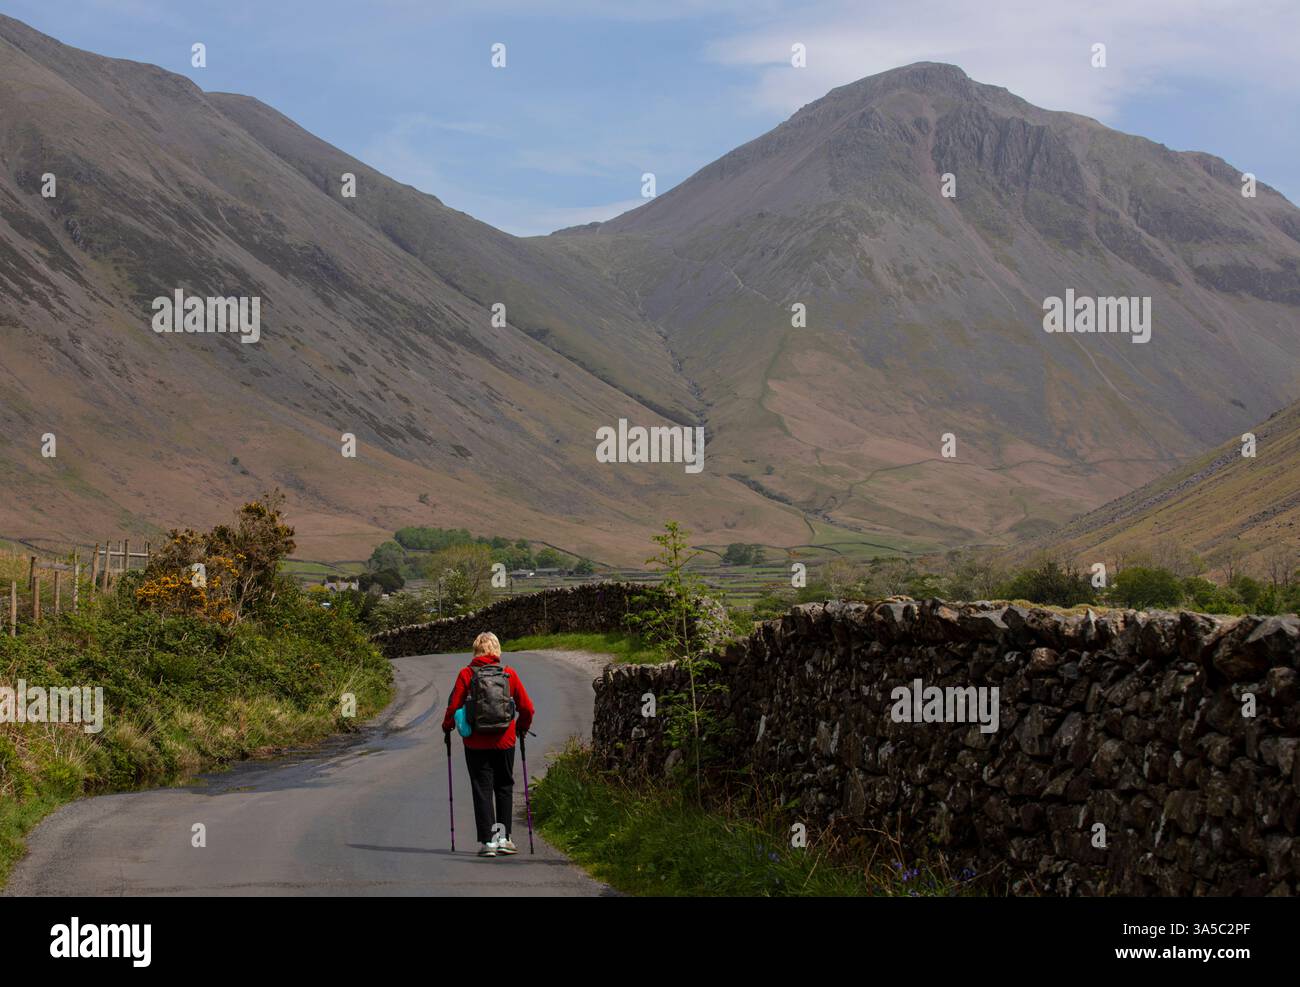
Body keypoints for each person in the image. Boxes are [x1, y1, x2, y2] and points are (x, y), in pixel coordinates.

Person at [442, 631, 535, 857]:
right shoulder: (509, 673)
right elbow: (528, 708)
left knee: (482, 789)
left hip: (476, 743)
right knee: (503, 787)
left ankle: (489, 842)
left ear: (476, 650)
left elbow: (453, 707)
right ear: (496, 650)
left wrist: (447, 726)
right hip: (505, 741)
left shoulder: (466, 674)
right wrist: (522, 727)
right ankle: (504, 838)